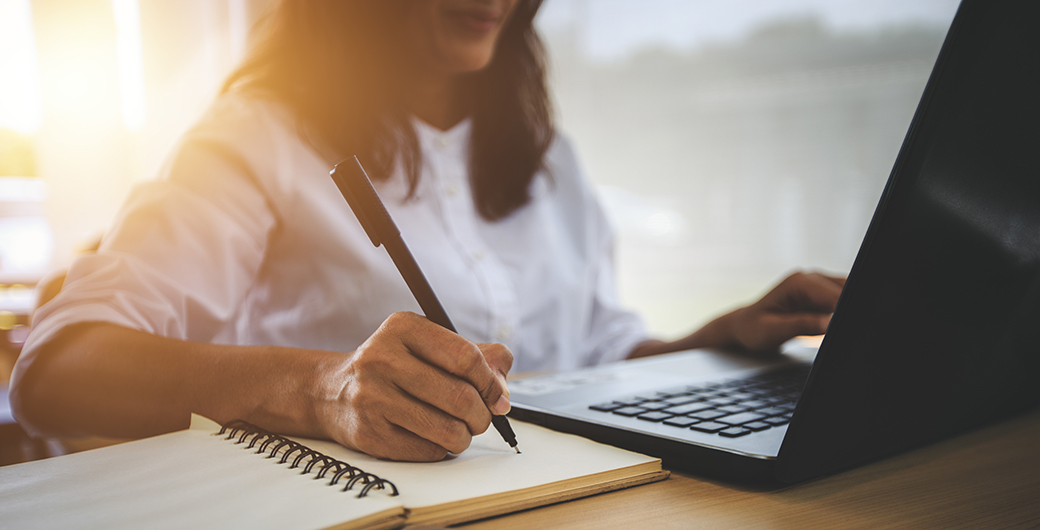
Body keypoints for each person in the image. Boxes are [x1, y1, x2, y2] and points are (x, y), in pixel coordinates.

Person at [10, 0, 845, 462]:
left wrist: (723, 336)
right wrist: (322, 388)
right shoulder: (254, 138)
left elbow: (591, 354)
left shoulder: (549, 159)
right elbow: (55, 369)